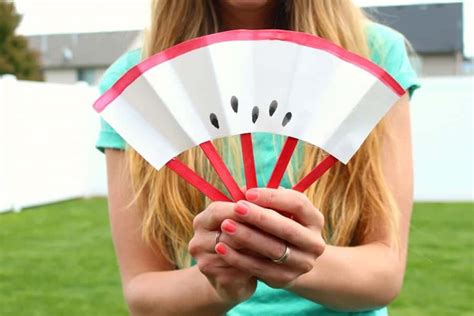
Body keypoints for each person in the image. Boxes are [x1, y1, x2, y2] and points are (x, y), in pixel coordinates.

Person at [96, 0, 420, 315]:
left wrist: (295, 258)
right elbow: (143, 294)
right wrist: (218, 279)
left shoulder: (374, 53)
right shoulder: (135, 86)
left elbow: (384, 274)